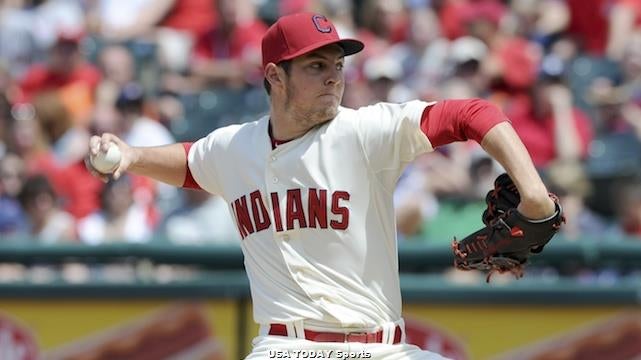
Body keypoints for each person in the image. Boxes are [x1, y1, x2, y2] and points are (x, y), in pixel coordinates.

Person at [87, 12, 557, 359]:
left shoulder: (364, 132)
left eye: (337, 63)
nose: (334, 74)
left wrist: (533, 194)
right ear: (275, 76)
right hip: (283, 348)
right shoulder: (235, 147)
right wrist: (131, 156)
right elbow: (189, 161)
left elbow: (472, 114)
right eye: (315, 66)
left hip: (382, 349)